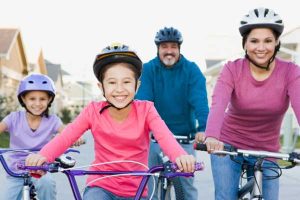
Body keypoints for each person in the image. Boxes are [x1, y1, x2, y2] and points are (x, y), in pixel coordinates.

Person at [25, 43, 196, 200]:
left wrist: (180, 156)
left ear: (137, 86)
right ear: (101, 87)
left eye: (127, 82)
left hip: (138, 188)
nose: (119, 89)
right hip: (101, 185)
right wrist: (43, 156)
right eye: (112, 82)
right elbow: (66, 137)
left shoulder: (146, 110)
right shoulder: (93, 110)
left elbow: (165, 137)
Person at [202, 7, 300, 200]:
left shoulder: (291, 72)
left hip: (267, 150)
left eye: (268, 41)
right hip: (228, 147)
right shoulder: (232, 69)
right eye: (254, 41)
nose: (261, 47)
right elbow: (218, 104)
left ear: (277, 42)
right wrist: (212, 136)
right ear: (245, 43)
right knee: (225, 196)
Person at [136, 27, 209, 200]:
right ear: (158, 49)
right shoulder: (148, 69)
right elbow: (143, 102)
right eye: (164, 46)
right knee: (150, 187)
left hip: (183, 138)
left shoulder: (191, 70)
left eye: (173, 47)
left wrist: (203, 127)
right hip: (154, 138)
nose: (169, 51)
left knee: (186, 187)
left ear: (179, 49)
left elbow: (199, 100)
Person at [0, 74, 63, 200]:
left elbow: (67, 132)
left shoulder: (53, 120)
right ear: (23, 99)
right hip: (16, 170)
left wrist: (75, 138)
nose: (37, 103)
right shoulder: (14, 118)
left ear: (49, 99)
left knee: (47, 184)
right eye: (32, 99)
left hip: (40, 168)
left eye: (43, 99)